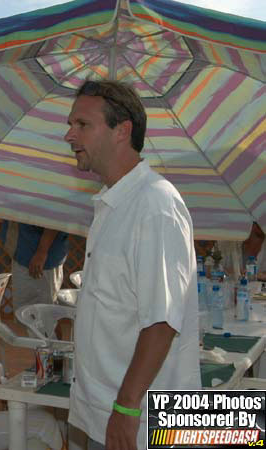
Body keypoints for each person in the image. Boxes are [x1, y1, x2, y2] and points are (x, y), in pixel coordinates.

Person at [64, 80, 200, 450]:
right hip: (107, 412)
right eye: (70, 124)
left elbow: (161, 320)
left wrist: (126, 407)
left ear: (122, 130)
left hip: (141, 424)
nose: (68, 135)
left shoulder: (155, 205)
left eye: (82, 125)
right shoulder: (114, 204)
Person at [1, 222, 68, 308]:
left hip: (41, 260)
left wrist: (41, 252)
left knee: (44, 311)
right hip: (22, 253)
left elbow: (57, 217)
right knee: (22, 310)